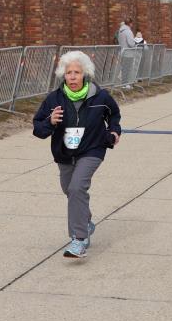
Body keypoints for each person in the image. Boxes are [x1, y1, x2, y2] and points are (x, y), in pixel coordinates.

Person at [33, 51, 122, 259]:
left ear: (85, 74)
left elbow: (114, 115)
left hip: (92, 149)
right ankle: (85, 221)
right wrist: (50, 121)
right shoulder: (54, 99)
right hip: (64, 153)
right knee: (70, 190)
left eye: (77, 72)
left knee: (76, 188)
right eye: (69, 73)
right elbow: (38, 129)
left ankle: (78, 239)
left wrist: (114, 131)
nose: (72, 77)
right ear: (63, 75)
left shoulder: (100, 96)